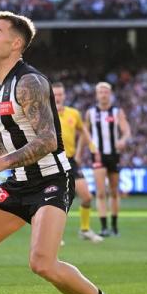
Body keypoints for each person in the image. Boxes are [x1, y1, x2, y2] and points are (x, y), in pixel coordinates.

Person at [0, 11, 147, 294]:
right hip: (18, 183)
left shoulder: (30, 82)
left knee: (42, 263)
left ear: (16, 43)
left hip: (51, 180)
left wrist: (3, 163)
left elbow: (48, 140)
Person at [51, 82, 103, 242]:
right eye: (56, 94)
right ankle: (53, 235)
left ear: (64, 96)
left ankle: (85, 229)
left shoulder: (74, 114)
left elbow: (83, 130)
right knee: (56, 200)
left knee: (87, 197)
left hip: (71, 160)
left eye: (61, 94)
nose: (58, 97)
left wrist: (93, 147)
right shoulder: (46, 114)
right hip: (53, 160)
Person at [86, 82, 132, 236]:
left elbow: (126, 131)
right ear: (97, 95)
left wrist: (123, 140)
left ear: (110, 94)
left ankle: (114, 226)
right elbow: (86, 134)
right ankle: (104, 227)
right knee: (100, 193)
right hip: (98, 154)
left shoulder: (117, 112)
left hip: (114, 154)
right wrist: (92, 149)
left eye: (106, 91)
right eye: (100, 92)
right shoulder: (91, 113)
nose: (103, 94)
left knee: (114, 191)